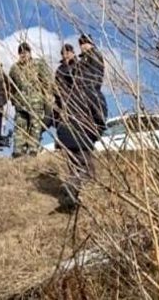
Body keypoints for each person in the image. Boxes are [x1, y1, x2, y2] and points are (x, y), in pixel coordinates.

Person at [53, 44, 97, 211]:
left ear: (72, 53)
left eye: (68, 52)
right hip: (78, 122)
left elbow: (56, 99)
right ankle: (72, 186)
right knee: (86, 167)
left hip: (67, 122)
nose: (66, 55)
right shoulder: (72, 71)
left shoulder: (72, 69)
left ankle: (71, 201)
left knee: (75, 165)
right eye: (63, 53)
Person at [9, 42, 53, 157]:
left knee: (35, 126)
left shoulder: (38, 64)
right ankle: (18, 152)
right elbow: (10, 86)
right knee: (20, 127)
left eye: (25, 52)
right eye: (21, 52)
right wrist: (13, 100)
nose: (23, 55)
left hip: (36, 102)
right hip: (20, 103)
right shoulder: (14, 68)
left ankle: (33, 150)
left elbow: (47, 81)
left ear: (30, 52)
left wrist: (46, 98)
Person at [77, 34, 108, 135]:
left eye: (85, 43)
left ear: (90, 43)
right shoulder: (83, 58)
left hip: (90, 88)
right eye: (81, 44)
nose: (82, 46)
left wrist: (89, 85)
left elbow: (96, 73)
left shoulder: (94, 54)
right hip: (84, 91)